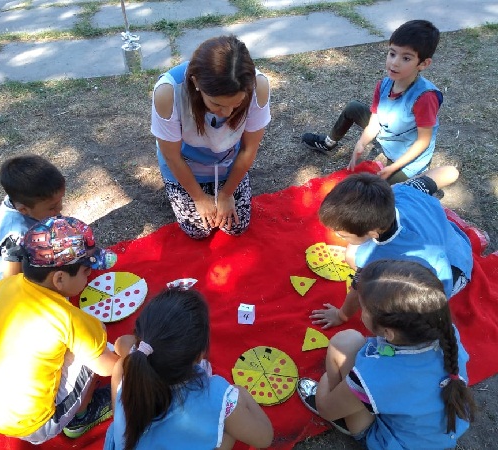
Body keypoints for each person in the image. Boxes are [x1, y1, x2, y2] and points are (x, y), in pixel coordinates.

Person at [0, 216, 119, 443]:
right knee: (94, 346)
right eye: (86, 271)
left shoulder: (10, 284)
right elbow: (108, 367)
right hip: (33, 424)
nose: (90, 275)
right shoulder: (69, 319)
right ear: (59, 279)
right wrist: (129, 353)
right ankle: (81, 418)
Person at [298, 259, 476, 449]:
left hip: (389, 439)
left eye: (363, 307)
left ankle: (344, 412)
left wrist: (329, 379)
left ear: (388, 332)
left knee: (342, 344)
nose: (360, 310)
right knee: (349, 345)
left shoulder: (376, 375)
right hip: (436, 433)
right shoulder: (446, 332)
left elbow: (326, 409)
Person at [0, 155, 116, 339]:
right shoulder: (17, 234)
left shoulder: (26, 199)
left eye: (60, 201)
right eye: (52, 208)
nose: (59, 209)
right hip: (5, 280)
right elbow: (11, 284)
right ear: (23, 210)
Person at [104, 288, 274, 450]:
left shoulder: (124, 368)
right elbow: (265, 437)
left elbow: (121, 343)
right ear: (200, 356)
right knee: (227, 430)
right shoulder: (216, 394)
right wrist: (240, 392)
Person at [311, 170, 472, 329]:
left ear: (373, 233)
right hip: (456, 247)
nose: (337, 236)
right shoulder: (402, 191)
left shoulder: (374, 257)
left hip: (450, 278)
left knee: (381, 295)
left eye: (342, 235)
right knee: (353, 254)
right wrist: (454, 171)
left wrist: (341, 315)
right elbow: (447, 173)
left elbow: (358, 290)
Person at [151, 35, 271, 239]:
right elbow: (172, 156)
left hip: (227, 163)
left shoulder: (258, 86)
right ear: (196, 82)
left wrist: (226, 194)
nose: (227, 112)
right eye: (217, 104)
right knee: (198, 231)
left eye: (237, 104)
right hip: (184, 164)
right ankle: (187, 190)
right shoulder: (168, 92)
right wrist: (198, 198)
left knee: (237, 226)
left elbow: (249, 148)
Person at [301, 20, 444, 184]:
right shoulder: (384, 84)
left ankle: (415, 179)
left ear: (423, 64)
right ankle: (328, 142)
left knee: (378, 190)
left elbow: (423, 141)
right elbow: (375, 122)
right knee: (353, 108)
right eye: (392, 54)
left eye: (406, 58)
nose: (394, 62)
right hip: (388, 134)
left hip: (407, 159)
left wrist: (394, 167)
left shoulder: (425, 97)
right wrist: (361, 143)